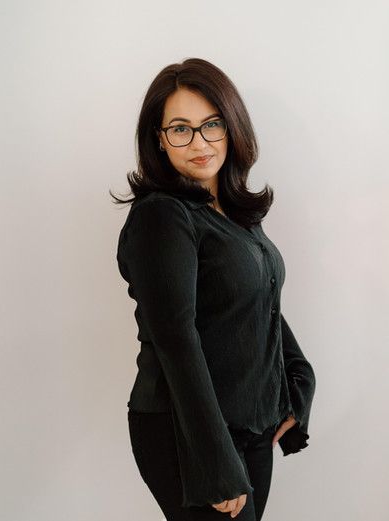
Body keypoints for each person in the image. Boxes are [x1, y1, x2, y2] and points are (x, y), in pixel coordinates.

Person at [111, 57, 316, 520]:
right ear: (160, 141)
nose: (200, 142)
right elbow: (175, 339)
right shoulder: (162, 216)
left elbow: (258, 303)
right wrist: (215, 463)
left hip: (250, 426)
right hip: (189, 435)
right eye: (180, 128)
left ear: (232, 126)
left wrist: (299, 379)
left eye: (212, 124)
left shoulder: (236, 216)